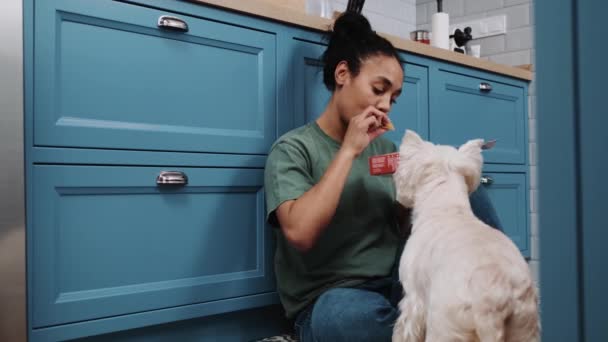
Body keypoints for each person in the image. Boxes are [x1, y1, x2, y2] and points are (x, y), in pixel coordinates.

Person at [263, 11, 502, 342]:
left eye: (393, 97)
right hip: (333, 297)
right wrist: (348, 151)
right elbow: (301, 233)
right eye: (379, 89)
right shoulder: (293, 149)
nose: (386, 104)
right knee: (346, 320)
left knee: (458, 178)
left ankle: (499, 293)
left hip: (399, 282)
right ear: (343, 73)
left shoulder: (388, 148)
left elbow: (400, 229)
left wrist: (416, 196)